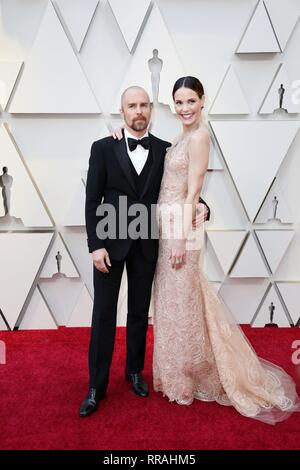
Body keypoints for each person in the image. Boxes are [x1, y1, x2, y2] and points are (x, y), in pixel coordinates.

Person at [152, 76, 300, 424]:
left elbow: (192, 191)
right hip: (169, 228)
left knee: (184, 301)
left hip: (180, 231)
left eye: (191, 101)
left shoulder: (200, 136)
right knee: (177, 302)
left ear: (203, 100)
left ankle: (190, 377)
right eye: (179, 102)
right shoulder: (183, 135)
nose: (184, 108)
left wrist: (179, 238)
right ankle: (179, 373)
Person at [80, 86, 210, 417]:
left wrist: (204, 206)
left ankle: (135, 372)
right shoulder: (103, 148)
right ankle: (97, 385)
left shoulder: (166, 150)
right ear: (122, 112)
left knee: (139, 313)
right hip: (110, 243)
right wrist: (95, 246)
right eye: (131, 106)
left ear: (151, 110)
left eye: (143, 106)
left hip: (148, 243)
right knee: (104, 314)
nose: (138, 111)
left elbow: (180, 188)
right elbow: (93, 199)